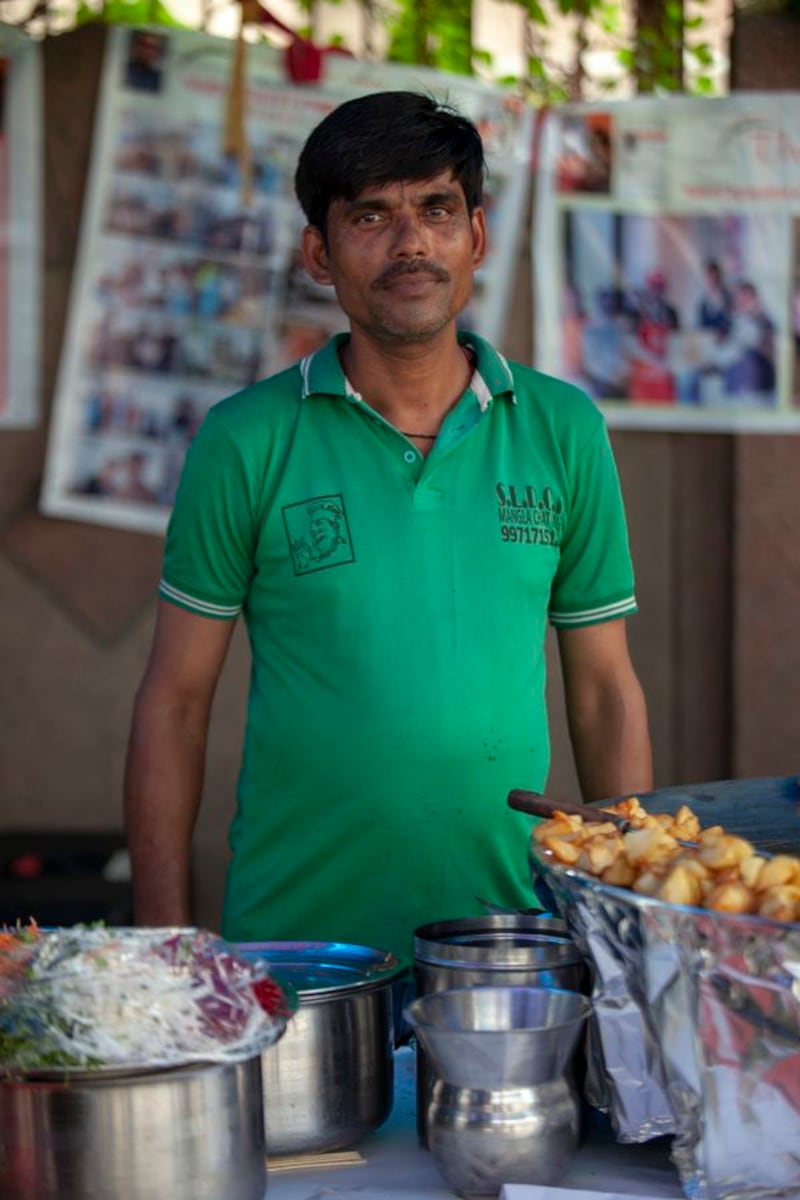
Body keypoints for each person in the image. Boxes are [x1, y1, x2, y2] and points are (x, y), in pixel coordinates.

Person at [124, 92, 652, 959]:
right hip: (296, 949)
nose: (410, 242)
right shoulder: (247, 438)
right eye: (370, 215)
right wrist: (164, 950)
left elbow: (604, 692)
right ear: (319, 254)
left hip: (512, 941)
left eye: (436, 210)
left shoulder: (562, 429)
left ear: (476, 237)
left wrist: (632, 926)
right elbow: (175, 704)